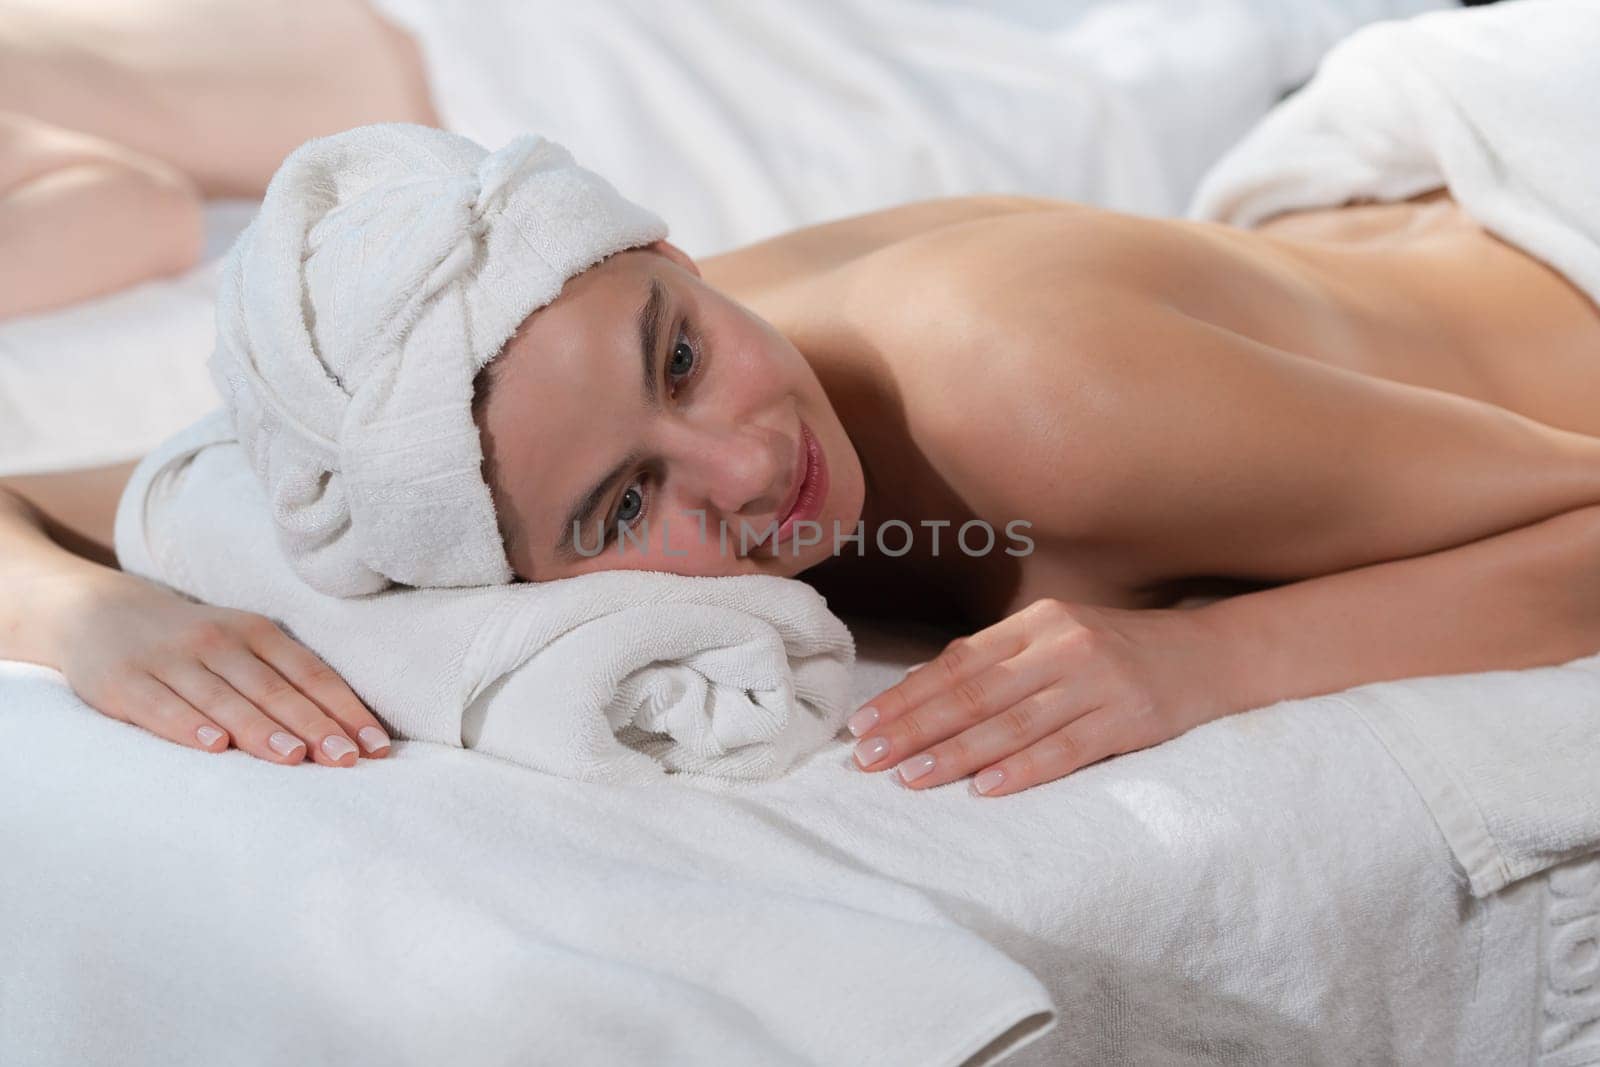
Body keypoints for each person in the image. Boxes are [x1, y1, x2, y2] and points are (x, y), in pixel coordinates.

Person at [5, 1, 1600, 795]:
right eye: (625, 505)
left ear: (668, 250)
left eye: (681, 350)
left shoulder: (1033, 401)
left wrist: (1207, 659)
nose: (751, 463)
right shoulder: (445, 414)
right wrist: (93, 624)